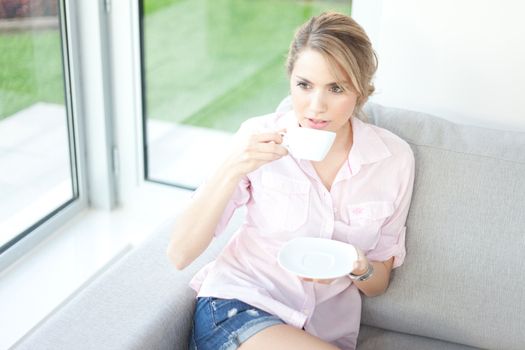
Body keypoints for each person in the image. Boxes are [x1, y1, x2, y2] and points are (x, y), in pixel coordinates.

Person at [167, 12, 415, 350]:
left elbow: (379, 282)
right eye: (304, 85)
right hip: (239, 307)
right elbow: (180, 254)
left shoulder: (393, 160)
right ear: (290, 81)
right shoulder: (258, 138)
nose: (316, 106)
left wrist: (359, 266)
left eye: (336, 88)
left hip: (321, 333)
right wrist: (232, 167)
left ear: (361, 90)